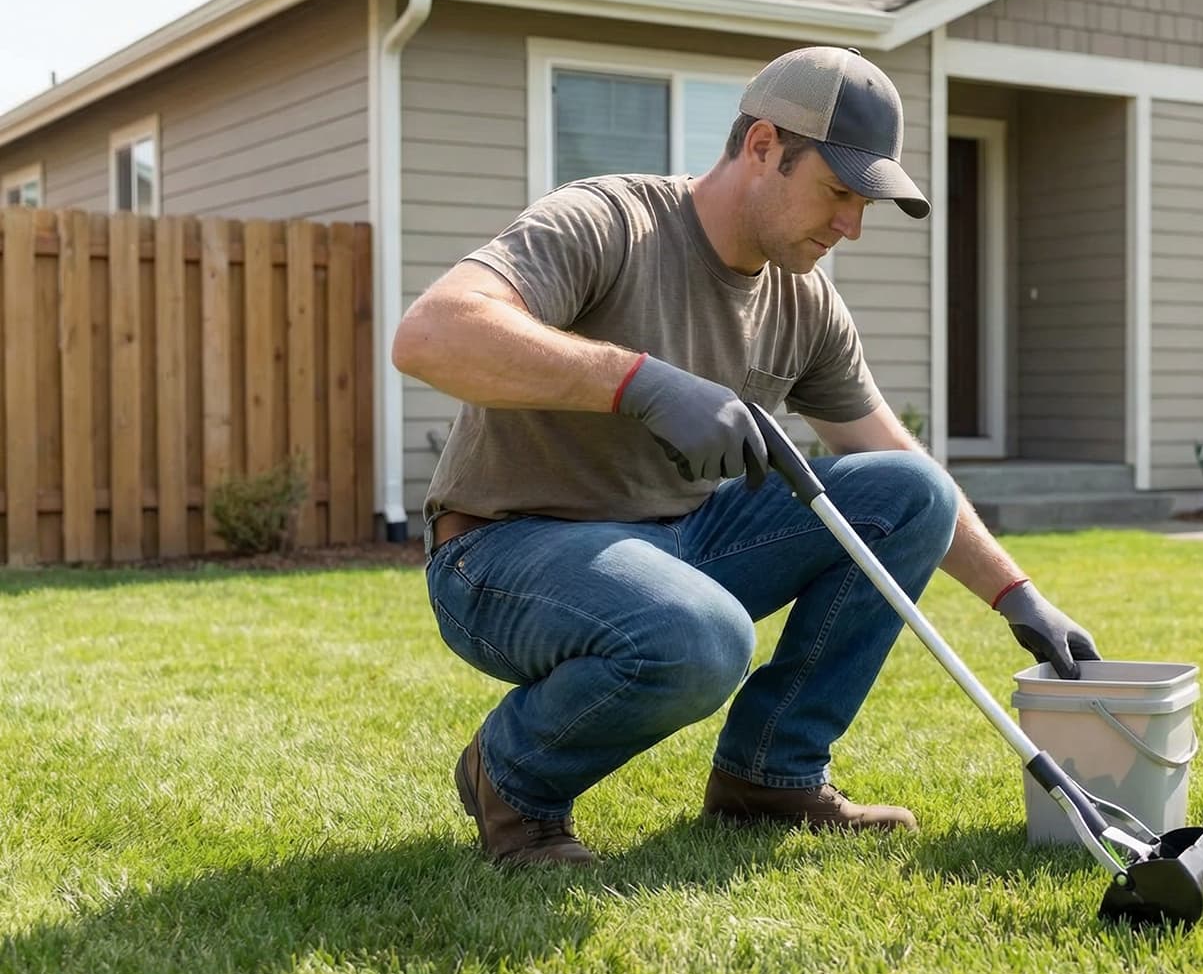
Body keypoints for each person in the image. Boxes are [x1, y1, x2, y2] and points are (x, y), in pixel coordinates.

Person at [391, 45, 1101, 868]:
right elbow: (431, 334)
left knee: (911, 493)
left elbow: (890, 454)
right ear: (763, 146)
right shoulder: (611, 220)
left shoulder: (804, 298)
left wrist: (1017, 596)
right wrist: (640, 383)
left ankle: (770, 778)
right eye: (838, 193)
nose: (851, 225)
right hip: (504, 551)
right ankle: (511, 784)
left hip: (680, 541)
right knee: (702, 636)